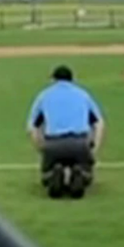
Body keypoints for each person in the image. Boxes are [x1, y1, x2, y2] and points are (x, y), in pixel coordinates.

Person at [26, 65, 105, 199]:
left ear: (53, 80)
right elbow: (99, 123)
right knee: (87, 173)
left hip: (53, 144)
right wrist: (93, 148)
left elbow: (31, 127)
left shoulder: (44, 96)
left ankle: (54, 175)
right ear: (72, 79)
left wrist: (41, 148)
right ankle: (80, 174)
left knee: (46, 176)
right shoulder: (83, 94)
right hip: (79, 143)